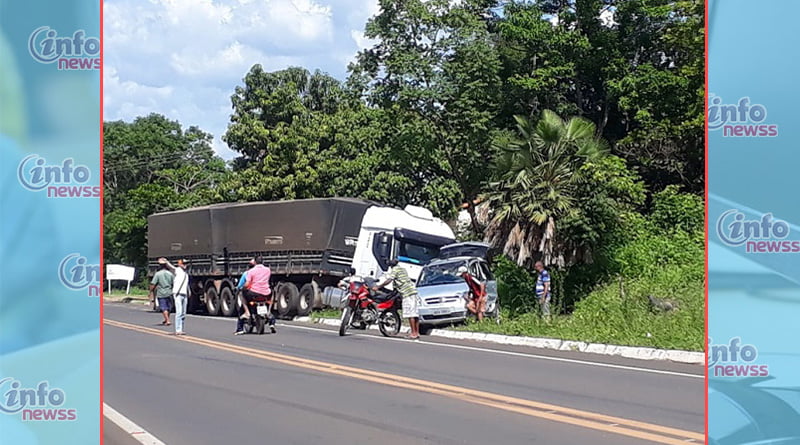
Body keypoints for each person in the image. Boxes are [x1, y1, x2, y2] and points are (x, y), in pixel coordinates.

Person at [374, 259, 420, 340]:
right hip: (412, 291)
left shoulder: (395, 270)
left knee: (410, 314)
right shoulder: (402, 269)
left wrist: (378, 286)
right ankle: (416, 332)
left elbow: (389, 280)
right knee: (414, 313)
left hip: (407, 293)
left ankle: (413, 333)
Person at [235, 256, 275, 335]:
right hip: (266, 294)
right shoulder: (268, 270)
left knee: (242, 293)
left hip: (254, 294)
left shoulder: (250, 272)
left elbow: (247, 284)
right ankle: (269, 310)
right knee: (272, 293)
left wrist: (242, 288)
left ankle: (247, 312)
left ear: (255, 263)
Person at [150, 258, 174, 326]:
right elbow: (173, 283)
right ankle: (166, 319)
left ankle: (168, 320)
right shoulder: (170, 274)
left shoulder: (158, 274)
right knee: (169, 307)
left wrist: (151, 291)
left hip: (161, 293)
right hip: (169, 292)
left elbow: (153, 284)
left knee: (163, 307)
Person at [170, 259, 189, 335]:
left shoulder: (186, 274)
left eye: (186, 264)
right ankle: (178, 329)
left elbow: (186, 284)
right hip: (178, 294)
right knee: (179, 312)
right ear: (179, 264)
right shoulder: (177, 270)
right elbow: (171, 267)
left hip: (184, 294)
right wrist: (166, 262)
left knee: (184, 313)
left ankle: (181, 328)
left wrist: (189, 292)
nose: (185, 265)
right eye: (183, 264)